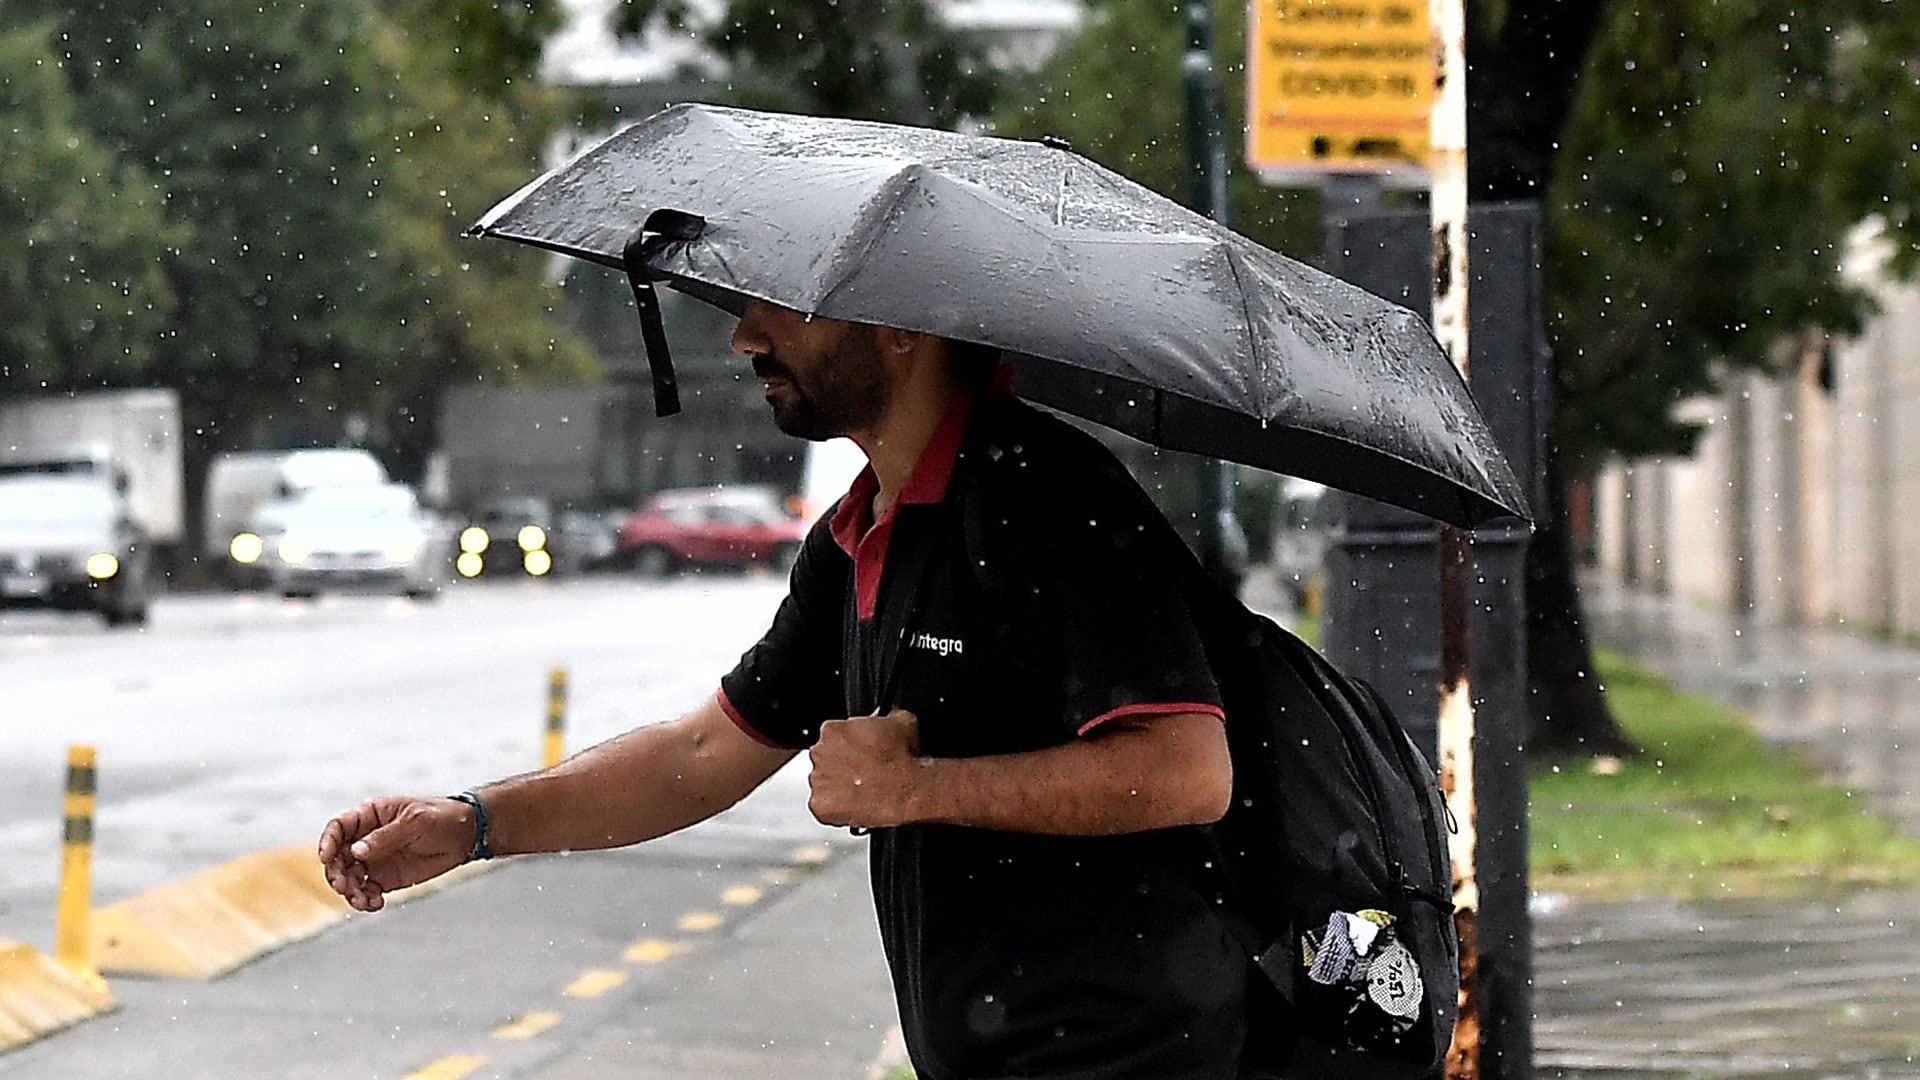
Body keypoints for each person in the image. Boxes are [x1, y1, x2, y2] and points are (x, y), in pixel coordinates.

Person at [319, 300, 1260, 1079]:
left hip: (1128, 1052)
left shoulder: (1045, 495)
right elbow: (703, 755)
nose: (745, 338)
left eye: (786, 310)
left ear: (904, 325)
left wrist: (916, 788)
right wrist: (473, 824)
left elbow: (1187, 771)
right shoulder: (856, 536)